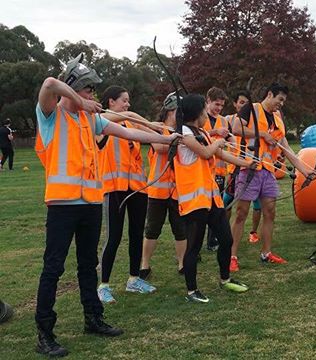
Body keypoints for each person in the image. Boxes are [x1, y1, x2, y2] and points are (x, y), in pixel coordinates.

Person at [33, 54, 178, 356]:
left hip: (89, 205)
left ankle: (93, 319)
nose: (91, 97)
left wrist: (167, 137)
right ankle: (45, 333)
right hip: (62, 206)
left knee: (88, 266)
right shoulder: (50, 115)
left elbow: (128, 131)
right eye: (87, 90)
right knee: (53, 268)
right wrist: (78, 99)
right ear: (73, 88)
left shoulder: (91, 119)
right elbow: (49, 83)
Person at [175, 93, 251, 303]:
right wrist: (218, 143)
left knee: (226, 239)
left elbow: (219, 154)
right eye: (203, 111)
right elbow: (207, 152)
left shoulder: (201, 132)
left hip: (211, 199)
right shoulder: (183, 133)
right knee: (194, 247)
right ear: (196, 113)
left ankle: (225, 279)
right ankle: (192, 291)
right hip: (194, 201)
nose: (205, 115)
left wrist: (247, 164)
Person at [231, 83, 315, 268]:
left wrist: (305, 170)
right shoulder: (251, 108)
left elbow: (287, 149)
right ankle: (232, 257)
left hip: (268, 173)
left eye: (284, 100)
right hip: (249, 169)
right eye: (280, 99)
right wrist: (262, 134)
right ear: (270, 94)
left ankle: (266, 252)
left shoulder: (277, 119)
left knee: (270, 213)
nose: (281, 104)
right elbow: (236, 128)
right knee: (241, 213)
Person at [96, 85, 156, 304]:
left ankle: (133, 279)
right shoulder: (101, 122)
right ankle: (103, 285)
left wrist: (167, 132)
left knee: (136, 234)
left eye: (128, 101)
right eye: (124, 100)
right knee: (114, 237)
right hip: (115, 188)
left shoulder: (130, 123)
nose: (127, 105)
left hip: (137, 188)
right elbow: (118, 119)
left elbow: (154, 133)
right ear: (111, 102)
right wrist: (137, 118)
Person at [139, 93, 187, 279]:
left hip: (177, 190)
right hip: (158, 189)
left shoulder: (184, 130)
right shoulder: (156, 128)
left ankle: (183, 264)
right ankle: (144, 264)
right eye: (177, 111)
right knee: (152, 229)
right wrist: (179, 141)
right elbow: (159, 147)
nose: (180, 115)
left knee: (180, 228)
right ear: (169, 110)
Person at [223, 90, 263, 260]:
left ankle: (253, 232)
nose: (243, 105)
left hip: (254, 166)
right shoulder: (228, 120)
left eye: (246, 102)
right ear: (235, 103)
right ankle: (225, 233)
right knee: (228, 202)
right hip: (235, 168)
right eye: (241, 102)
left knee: (258, 204)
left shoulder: (254, 120)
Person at [203, 86, 233, 251]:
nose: (219, 108)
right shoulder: (199, 117)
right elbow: (195, 133)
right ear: (207, 101)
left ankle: (212, 240)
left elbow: (229, 137)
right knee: (204, 207)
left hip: (220, 170)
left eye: (221, 106)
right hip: (204, 169)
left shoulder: (223, 120)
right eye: (216, 104)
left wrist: (233, 141)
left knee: (217, 206)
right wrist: (215, 131)